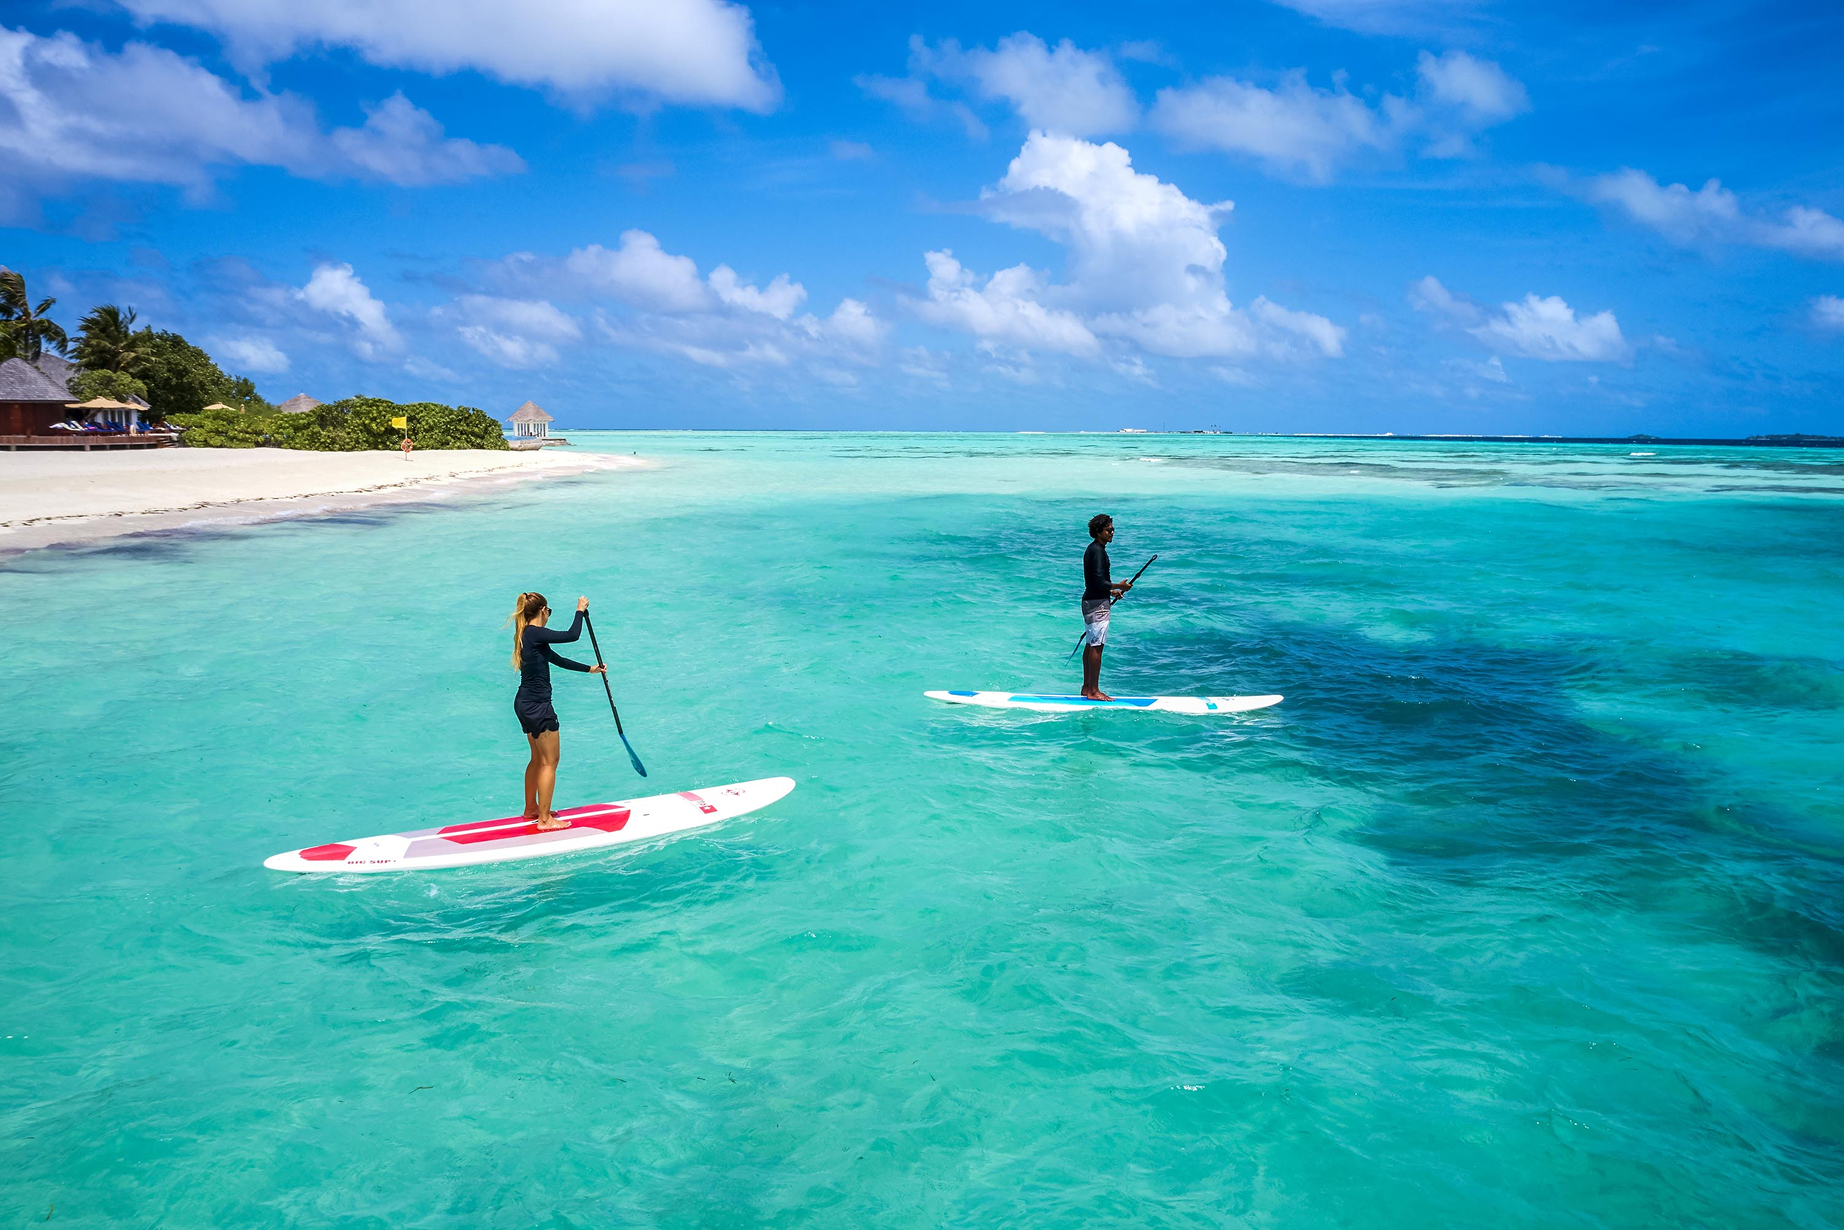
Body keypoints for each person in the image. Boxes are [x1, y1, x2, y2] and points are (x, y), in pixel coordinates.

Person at [506, 592, 606, 830]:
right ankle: (544, 820)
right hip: (538, 706)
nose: (548, 616)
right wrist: (579, 610)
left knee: (537, 758)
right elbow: (572, 635)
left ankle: (531, 809)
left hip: (524, 703)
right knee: (550, 761)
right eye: (549, 612)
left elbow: (556, 659)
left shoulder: (527, 635)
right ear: (542, 610)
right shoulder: (535, 632)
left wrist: (589, 669)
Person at [1081, 513, 1131, 700]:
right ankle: (1094, 691)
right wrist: (1119, 586)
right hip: (1097, 604)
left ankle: (1087, 687)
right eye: (1108, 530)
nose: (1112, 533)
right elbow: (1097, 581)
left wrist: (1111, 592)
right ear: (1098, 531)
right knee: (1097, 647)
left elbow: (1095, 582)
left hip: (1091, 600)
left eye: (1113, 529)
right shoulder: (1097, 551)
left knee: (1090, 645)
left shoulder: (1093, 549)